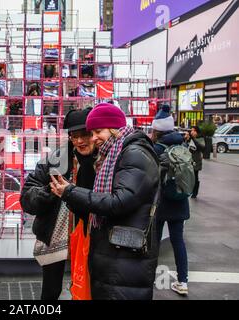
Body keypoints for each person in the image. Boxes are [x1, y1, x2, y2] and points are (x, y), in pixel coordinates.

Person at [50, 103, 160, 300]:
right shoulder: (116, 152)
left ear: (114, 127)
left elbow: (119, 202)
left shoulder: (134, 153)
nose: (93, 138)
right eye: (91, 133)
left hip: (125, 256)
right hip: (117, 254)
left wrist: (71, 192)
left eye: (97, 131)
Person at [20, 108, 96, 300]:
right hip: (55, 235)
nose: (79, 141)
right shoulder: (56, 160)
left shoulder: (104, 161)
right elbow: (27, 198)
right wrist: (48, 192)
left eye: (85, 134)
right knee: (50, 291)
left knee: (90, 287)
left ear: (94, 133)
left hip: (93, 237)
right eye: (74, 136)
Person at [151, 106, 190, 296]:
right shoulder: (183, 145)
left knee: (154, 241)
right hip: (180, 200)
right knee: (178, 241)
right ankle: (183, 281)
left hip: (160, 202)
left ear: (156, 130)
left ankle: (149, 277)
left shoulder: (156, 148)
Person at [186, 126, 205, 199]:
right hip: (189, 160)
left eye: (194, 131)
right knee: (189, 176)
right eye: (191, 130)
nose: (192, 132)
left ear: (197, 132)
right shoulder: (190, 139)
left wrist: (193, 139)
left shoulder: (200, 139)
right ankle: (190, 190)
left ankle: (195, 192)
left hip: (196, 161)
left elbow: (201, 147)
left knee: (195, 177)